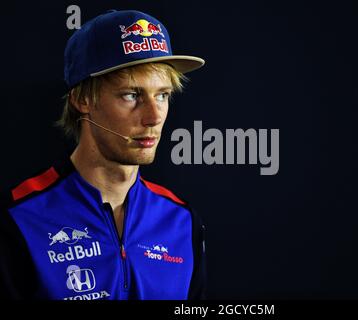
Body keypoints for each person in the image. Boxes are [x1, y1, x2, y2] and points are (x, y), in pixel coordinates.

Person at [0, 9, 206, 300]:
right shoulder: (18, 218)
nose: (154, 117)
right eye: (131, 95)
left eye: (162, 95)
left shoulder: (181, 220)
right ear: (82, 100)